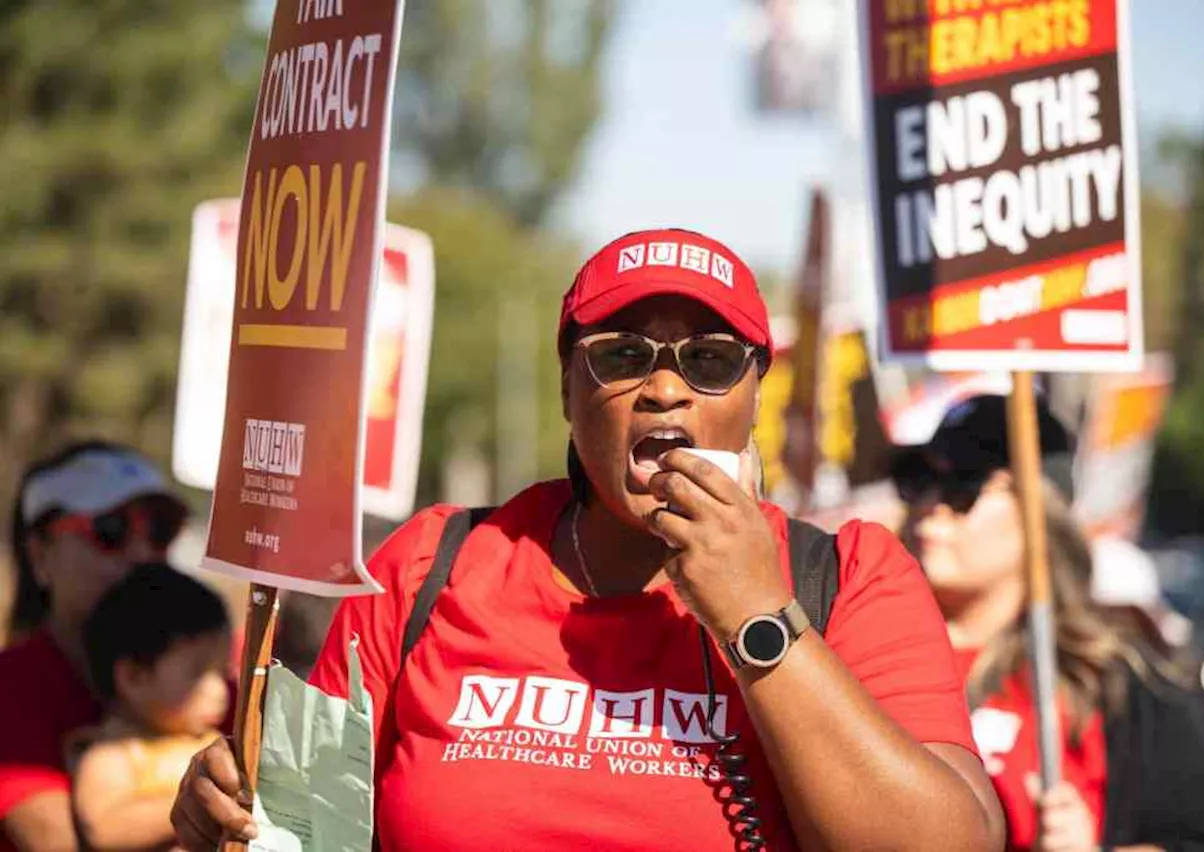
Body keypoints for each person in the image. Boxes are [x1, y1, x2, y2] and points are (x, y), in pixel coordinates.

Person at [172, 228, 1005, 851]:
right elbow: (307, 825)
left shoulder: (851, 578)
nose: (667, 388)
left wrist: (761, 622)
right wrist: (231, 810)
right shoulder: (429, 567)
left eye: (711, 360)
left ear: (756, 392)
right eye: (625, 355)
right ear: (570, 386)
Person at [893, 394, 1204, 852]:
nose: (931, 505)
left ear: (1041, 514)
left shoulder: (1112, 675)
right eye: (918, 480)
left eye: (963, 486)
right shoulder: (864, 655)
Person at [1, 442, 189, 852]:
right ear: (40, 554)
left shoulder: (203, 684)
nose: (142, 554)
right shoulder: (9, 687)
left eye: (159, 532)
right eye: (111, 530)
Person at [68, 562, 231, 851]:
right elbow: (104, 828)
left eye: (221, 671)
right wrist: (195, 799)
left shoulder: (210, 742)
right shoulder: (112, 753)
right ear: (133, 677)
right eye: (197, 672)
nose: (219, 690)